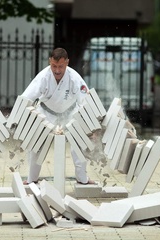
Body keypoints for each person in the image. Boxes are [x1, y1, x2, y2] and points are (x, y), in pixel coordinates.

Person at [21, 47, 95, 185]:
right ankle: (32, 179)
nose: (57, 70)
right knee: (36, 144)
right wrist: (20, 119)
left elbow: (86, 102)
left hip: (70, 113)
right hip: (45, 113)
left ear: (67, 62)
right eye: (54, 66)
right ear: (50, 61)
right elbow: (26, 98)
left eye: (60, 66)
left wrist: (91, 125)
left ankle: (82, 178)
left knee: (79, 143)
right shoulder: (43, 76)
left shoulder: (74, 77)